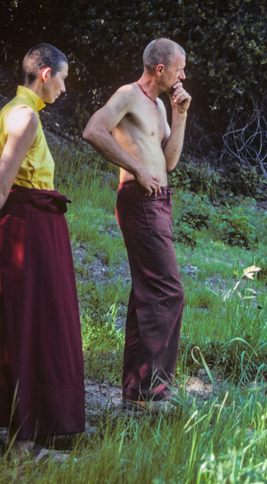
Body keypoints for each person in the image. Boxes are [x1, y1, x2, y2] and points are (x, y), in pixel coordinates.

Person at [0, 43, 84, 454]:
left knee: (36, 321)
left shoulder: (10, 112)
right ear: (46, 74)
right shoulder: (25, 117)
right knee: (34, 323)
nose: (64, 88)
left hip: (27, 225)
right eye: (63, 79)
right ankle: (24, 443)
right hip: (29, 228)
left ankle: (34, 430)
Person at [81, 38, 191, 412]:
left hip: (159, 201)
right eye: (179, 69)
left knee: (149, 292)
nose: (183, 76)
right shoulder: (128, 95)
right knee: (169, 292)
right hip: (139, 199)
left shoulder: (159, 105)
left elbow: (169, 162)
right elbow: (93, 130)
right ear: (160, 69)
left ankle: (137, 393)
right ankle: (150, 392)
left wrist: (180, 115)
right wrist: (137, 168)